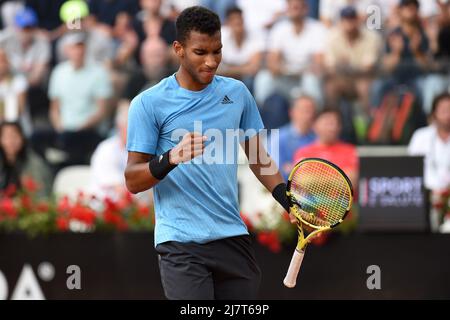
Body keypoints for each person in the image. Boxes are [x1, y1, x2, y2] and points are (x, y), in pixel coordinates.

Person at [125, 6, 291, 300]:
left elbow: (258, 158)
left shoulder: (238, 93)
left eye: (217, 51)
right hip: (181, 243)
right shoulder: (148, 103)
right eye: (201, 52)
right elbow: (133, 180)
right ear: (178, 49)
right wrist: (171, 158)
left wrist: (286, 199)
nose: (211, 61)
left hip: (232, 238)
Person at [31, 31, 112, 167]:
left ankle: (64, 161)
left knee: (72, 140)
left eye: (80, 46)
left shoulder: (99, 72)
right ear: (66, 50)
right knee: (35, 137)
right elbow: (54, 108)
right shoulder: (58, 72)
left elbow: (102, 110)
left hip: (89, 130)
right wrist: (59, 126)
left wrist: (82, 126)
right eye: (74, 47)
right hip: (64, 130)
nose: (78, 51)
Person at [293, 108, 359, 186]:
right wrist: (336, 179)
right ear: (314, 125)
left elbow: (350, 182)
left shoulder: (350, 151)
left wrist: (314, 179)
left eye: (336, 123)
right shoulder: (303, 152)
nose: (332, 128)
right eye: (328, 123)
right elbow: (301, 181)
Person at [408, 93, 450, 192]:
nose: (448, 115)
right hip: (425, 195)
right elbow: (411, 169)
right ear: (434, 113)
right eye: (444, 110)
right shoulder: (420, 136)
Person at [270, 95, 316, 180]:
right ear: (292, 112)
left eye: (311, 111)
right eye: (305, 110)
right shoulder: (277, 137)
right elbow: (273, 170)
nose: (309, 115)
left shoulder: (317, 137)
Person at [0, 121, 52, 197]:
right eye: (6, 137)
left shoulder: (35, 165)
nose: (11, 141)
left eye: (14, 136)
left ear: (22, 138)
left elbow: (41, 197)